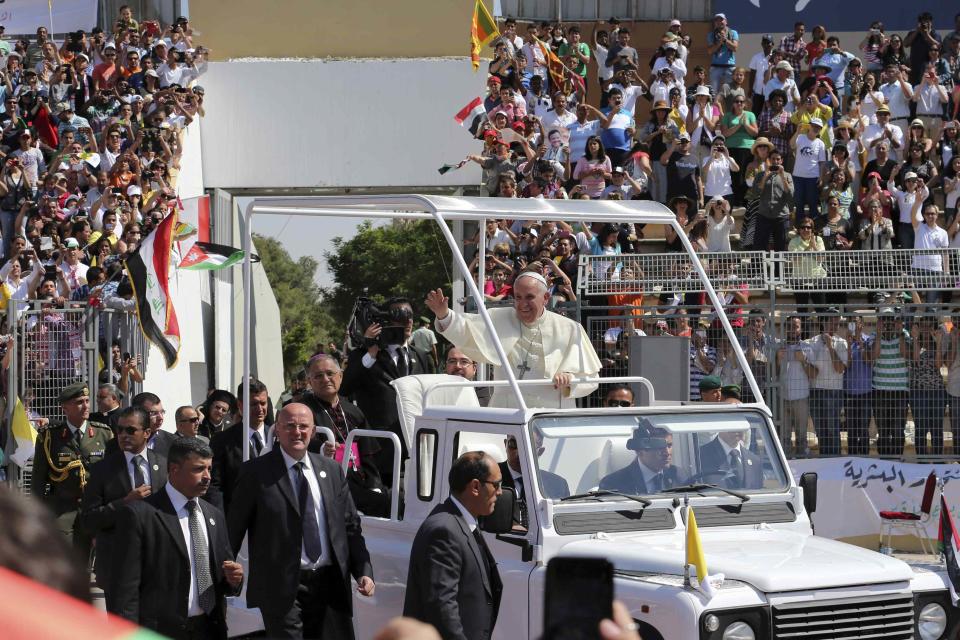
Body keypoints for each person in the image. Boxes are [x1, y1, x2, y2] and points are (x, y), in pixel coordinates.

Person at [228, 403, 375, 639]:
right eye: (290, 426)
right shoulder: (255, 472)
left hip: (329, 584)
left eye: (303, 426)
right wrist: (226, 573)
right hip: (281, 587)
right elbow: (234, 527)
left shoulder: (332, 470)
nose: (297, 432)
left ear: (313, 430)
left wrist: (363, 571)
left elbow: (350, 526)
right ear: (277, 429)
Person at [110, 438, 243, 638]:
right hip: (161, 630)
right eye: (198, 469)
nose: (207, 476)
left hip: (209, 629)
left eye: (209, 468)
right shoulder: (140, 515)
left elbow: (223, 571)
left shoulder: (213, 515)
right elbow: (124, 589)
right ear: (174, 469)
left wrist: (234, 579)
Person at [426, 272, 601, 409]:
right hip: (507, 412)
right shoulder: (498, 318)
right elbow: (465, 330)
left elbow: (591, 378)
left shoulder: (569, 328)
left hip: (551, 414)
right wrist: (444, 315)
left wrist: (570, 379)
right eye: (518, 297)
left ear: (546, 298)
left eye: (529, 297)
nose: (522, 304)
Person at [403, 451, 502, 640]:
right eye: (496, 485)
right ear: (475, 486)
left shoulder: (462, 523)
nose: (499, 492)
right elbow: (442, 606)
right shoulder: (444, 531)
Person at [79, 407, 166, 602]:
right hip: (117, 568)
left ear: (147, 433)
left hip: (156, 566)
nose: (123, 435)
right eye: (120, 430)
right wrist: (125, 502)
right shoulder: (103, 470)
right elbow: (88, 520)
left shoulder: (163, 466)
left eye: (131, 430)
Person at [341, 297, 430, 484]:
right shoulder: (364, 355)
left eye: (410, 316)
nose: (407, 322)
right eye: (400, 317)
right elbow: (345, 389)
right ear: (386, 322)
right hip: (381, 449)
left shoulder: (420, 356)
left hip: (416, 448)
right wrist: (370, 353)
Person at [298, 354, 391, 518]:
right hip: (328, 480)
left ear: (340, 376)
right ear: (310, 382)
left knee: (393, 497)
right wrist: (319, 448)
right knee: (383, 503)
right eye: (318, 376)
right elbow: (295, 441)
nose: (325, 379)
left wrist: (374, 484)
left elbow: (368, 454)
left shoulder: (352, 410)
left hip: (357, 477)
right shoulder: (303, 410)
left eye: (330, 374)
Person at [31, 382, 113, 556]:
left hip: (93, 509)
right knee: (62, 563)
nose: (86, 406)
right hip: (62, 511)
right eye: (79, 402)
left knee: (86, 565)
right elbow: (38, 480)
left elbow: (112, 477)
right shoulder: (49, 437)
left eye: (87, 400)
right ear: (65, 408)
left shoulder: (104, 434)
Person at [209, 378, 273, 512]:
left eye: (263, 403)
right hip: (237, 518)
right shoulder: (222, 441)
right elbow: (215, 486)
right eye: (254, 404)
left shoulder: (277, 437)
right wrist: (219, 521)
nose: (260, 409)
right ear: (240, 405)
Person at [499, 429, 570, 527]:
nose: (520, 453)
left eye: (528, 447)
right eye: (513, 444)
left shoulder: (558, 485)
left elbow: (564, 523)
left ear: (540, 452)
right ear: (505, 444)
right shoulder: (487, 479)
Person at [807, 311, 848, 456]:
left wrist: (831, 347)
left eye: (837, 322)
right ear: (823, 322)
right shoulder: (811, 343)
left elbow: (839, 369)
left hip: (834, 391)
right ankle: (825, 460)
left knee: (833, 430)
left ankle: (835, 459)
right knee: (821, 431)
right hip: (816, 390)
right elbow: (811, 372)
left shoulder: (842, 343)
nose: (835, 325)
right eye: (832, 321)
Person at [599, 424, 677, 494]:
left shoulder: (680, 476)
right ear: (639, 451)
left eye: (669, 445)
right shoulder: (612, 485)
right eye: (659, 447)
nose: (667, 452)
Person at [698, 430, 762, 489]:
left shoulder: (755, 461)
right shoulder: (700, 457)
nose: (736, 428)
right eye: (732, 424)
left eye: (739, 424)